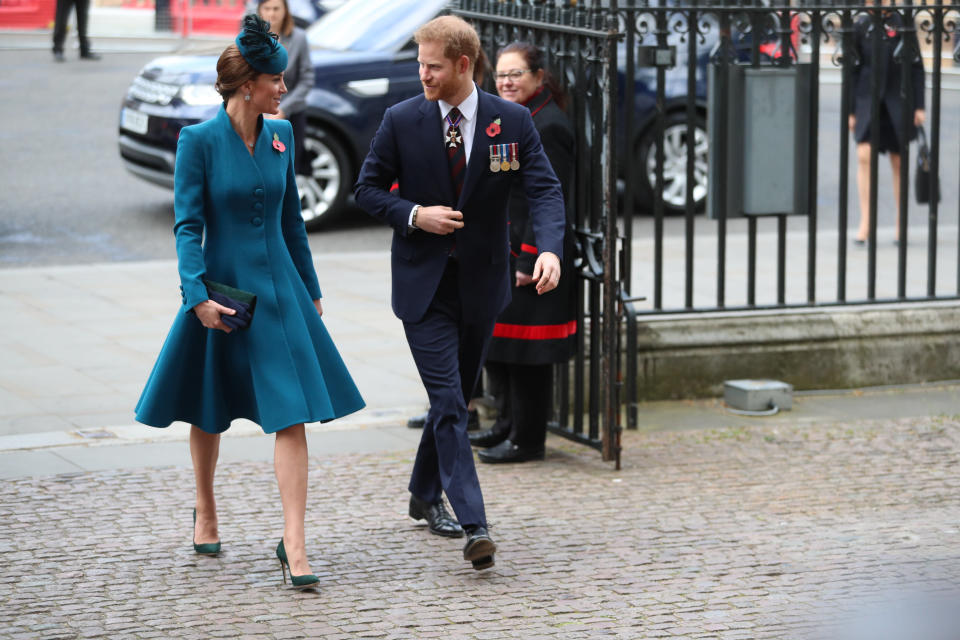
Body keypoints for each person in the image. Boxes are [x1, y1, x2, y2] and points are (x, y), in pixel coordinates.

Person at [134, 15, 364, 590]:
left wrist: (310, 290)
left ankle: (295, 542)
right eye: (274, 80)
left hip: (281, 294)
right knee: (209, 403)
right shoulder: (199, 142)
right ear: (246, 86)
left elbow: (294, 224)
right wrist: (196, 298)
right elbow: (188, 227)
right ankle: (206, 510)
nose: (283, 88)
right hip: (222, 292)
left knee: (291, 412)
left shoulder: (283, 136)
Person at [354, 15, 566, 571]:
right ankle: (475, 524)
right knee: (450, 402)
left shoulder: (511, 121)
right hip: (423, 290)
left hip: (482, 286)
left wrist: (548, 248)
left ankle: (423, 494)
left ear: (463, 65)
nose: (421, 74)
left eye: (432, 65)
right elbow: (367, 190)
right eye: (420, 64)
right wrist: (414, 215)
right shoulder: (402, 120)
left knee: (451, 399)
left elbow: (543, 189)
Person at [469, 42, 577, 464]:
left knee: (529, 356)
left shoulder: (548, 125)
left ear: (538, 77)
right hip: (505, 253)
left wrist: (529, 258)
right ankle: (506, 425)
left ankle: (528, 439)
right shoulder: (514, 118)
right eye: (501, 74)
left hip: (532, 260)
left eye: (515, 74)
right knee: (503, 350)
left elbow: (546, 199)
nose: (506, 82)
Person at [848, 1, 925, 245]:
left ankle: (900, 224)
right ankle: (866, 222)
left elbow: (916, 68)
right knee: (863, 155)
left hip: (898, 100)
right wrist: (851, 110)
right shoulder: (860, 25)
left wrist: (919, 105)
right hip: (867, 102)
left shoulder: (903, 23)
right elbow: (851, 69)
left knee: (898, 161)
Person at [255, 0, 314, 176]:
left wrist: (283, 109)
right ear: (259, 11)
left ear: (285, 11)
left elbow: (306, 79)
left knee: (288, 168)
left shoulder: (298, 38)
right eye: (267, 9)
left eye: (276, 9)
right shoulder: (251, 38)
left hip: (290, 113)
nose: (271, 14)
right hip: (258, 112)